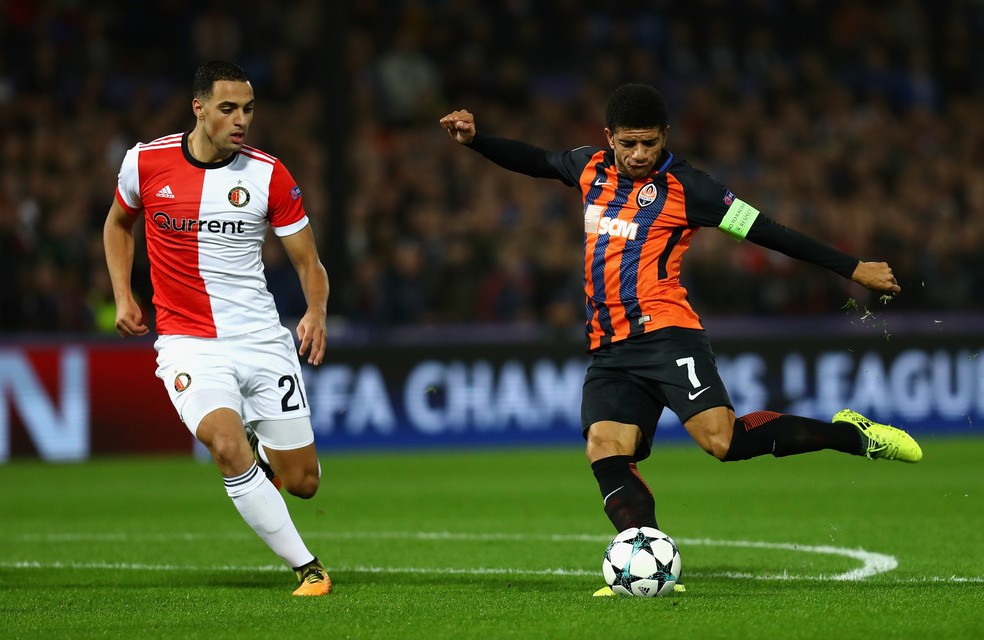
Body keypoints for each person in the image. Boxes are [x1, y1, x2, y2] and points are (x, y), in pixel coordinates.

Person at [440, 83, 923, 594]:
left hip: (668, 335)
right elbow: (535, 160)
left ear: (665, 136)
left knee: (724, 442)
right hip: (609, 348)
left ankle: (851, 435)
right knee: (605, 446)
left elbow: (769, 231)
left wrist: (853, 268)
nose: (639, 154)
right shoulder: (588, 166)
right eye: (629, 143)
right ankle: (644, 562)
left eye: (649, 142)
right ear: (609, 137)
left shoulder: (692, 188)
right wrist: (477, 140)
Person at [104, 60, 332, 596]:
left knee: (303, 482)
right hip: (187, 344)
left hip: (261, 340)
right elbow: (117, 224)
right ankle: (308, 567)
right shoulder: (145, 162)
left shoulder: (268, 174)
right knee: (227, 447)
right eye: (228, 108)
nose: (241, 120)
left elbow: (309, 263)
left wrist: (316, 310)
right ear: (199, 108)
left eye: (248, 109)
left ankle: (262, 451)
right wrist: (123, 295)